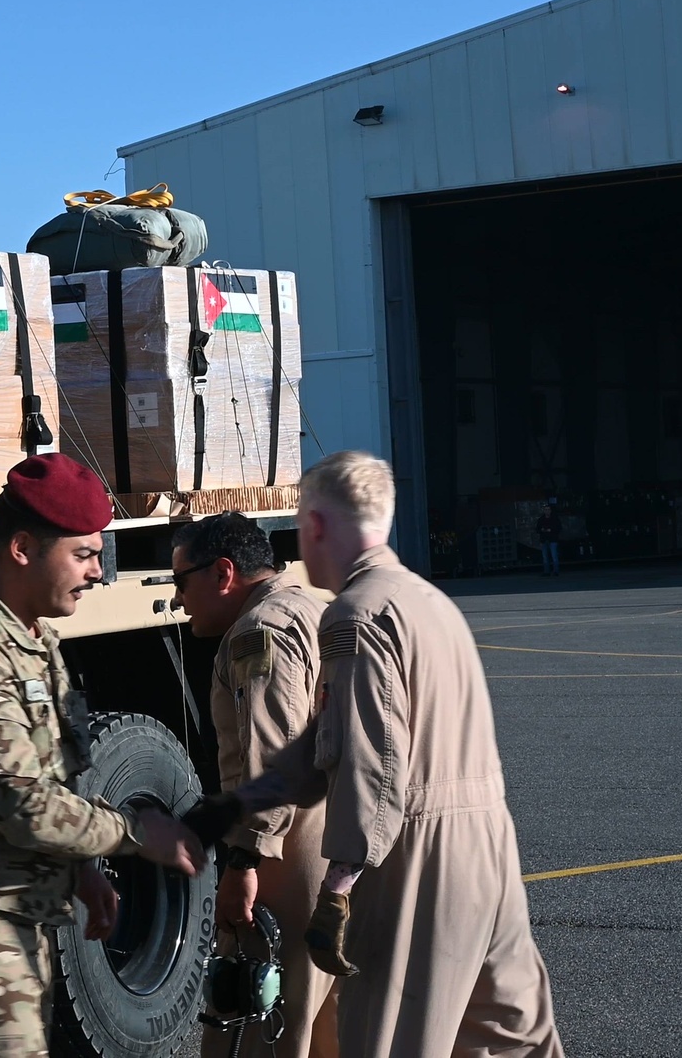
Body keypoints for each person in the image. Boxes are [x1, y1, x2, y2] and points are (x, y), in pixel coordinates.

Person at [187, 451, 563, 1058]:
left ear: (314, 526)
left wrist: (338, 887)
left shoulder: (355, 616)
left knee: (383, 1041)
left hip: (419, 854)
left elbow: (370, 760)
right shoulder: (431, 601)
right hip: (490, 848)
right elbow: (321, 742)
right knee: (506, 1039)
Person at [0, 454, 207, 1057]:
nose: (99, 573)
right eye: (83, 554)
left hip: (7, 917)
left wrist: (82, 868)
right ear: (24, 549)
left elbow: (49, 772)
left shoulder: (32, 638)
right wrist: (137, 834)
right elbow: (25, 805)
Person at [170, 512, 338, 1058]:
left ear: (223, 573)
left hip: (291, 846)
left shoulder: (257, 632)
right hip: (341, 833)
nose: (177, 599)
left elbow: (272, 758)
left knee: (258, 1021)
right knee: (329, 1023)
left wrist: (245, 864)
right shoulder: (313, 604)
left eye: (181, 581)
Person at [536, 500, 560, 577]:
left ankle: (556, 571)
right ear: (544, 511)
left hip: (553, 540)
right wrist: (542, 530)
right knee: (545, 557)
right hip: (544, 540)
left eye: (548, 509)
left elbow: (559, 528)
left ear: (550, 510)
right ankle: (547, 572)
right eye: (545, 510)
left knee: (554, 556)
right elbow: (537, 529)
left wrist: (551, 530)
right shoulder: (541, 519)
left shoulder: (555, 519)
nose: (547, 511)